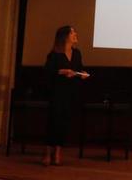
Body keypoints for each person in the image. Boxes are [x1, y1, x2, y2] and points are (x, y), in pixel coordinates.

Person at [43, 25, 88, 166]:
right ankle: (47, 153)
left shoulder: (77, 53)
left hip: (70, 93)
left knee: (63, 122)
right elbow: (47, 73)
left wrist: (82, 74)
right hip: (57, 93)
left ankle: (57, 152)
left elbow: (79, 68)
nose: (75, 34)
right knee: (53, 122)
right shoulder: (54, 54)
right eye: (72, 32)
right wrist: (61, 72)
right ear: (65, 36)